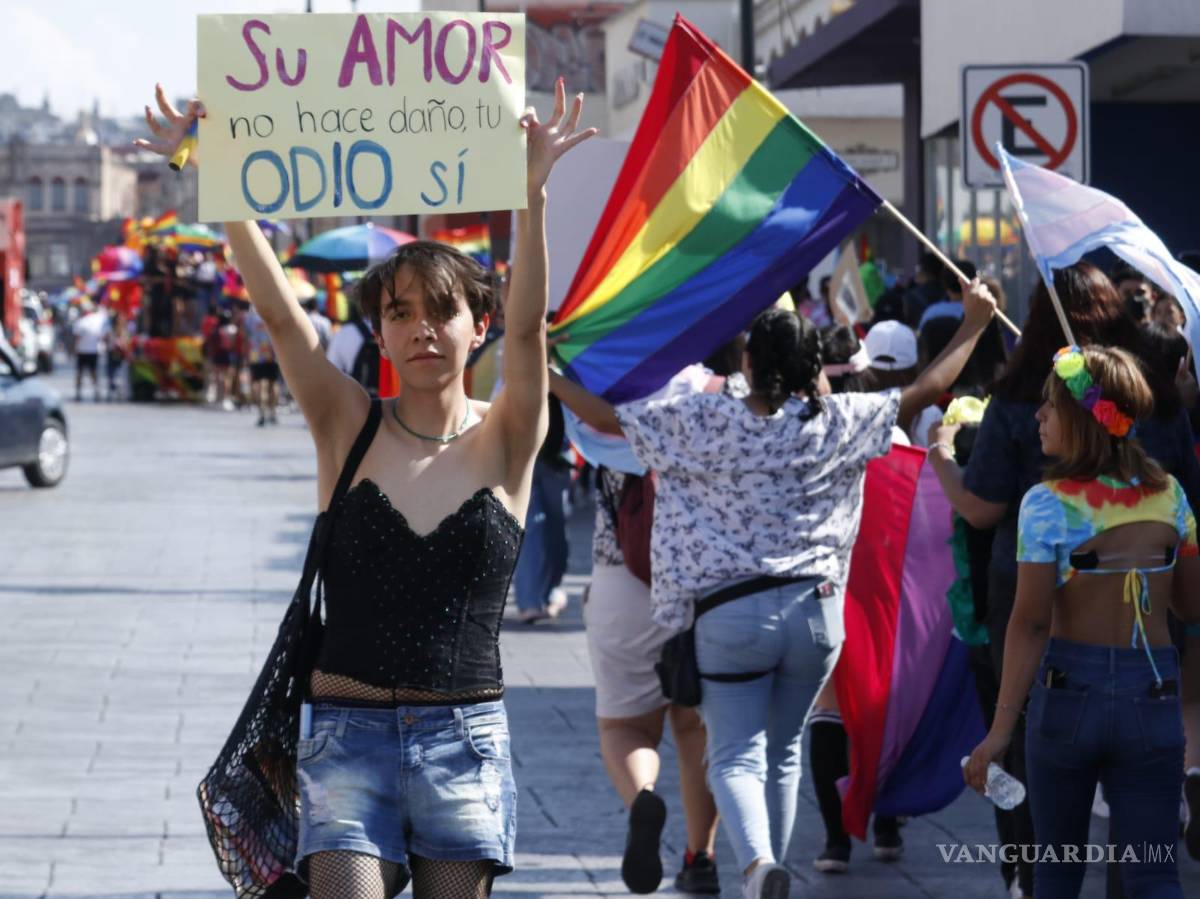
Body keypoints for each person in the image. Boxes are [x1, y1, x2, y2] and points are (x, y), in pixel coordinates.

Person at [138, 79, 594, 899]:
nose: (422, 327)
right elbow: (282, 319)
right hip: (345, 741)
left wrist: (532, 194)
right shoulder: (345, 424)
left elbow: (532, 329)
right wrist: (206, 161)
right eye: (399, 311)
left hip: (464, 740)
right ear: (377, 329)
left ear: (476, 326)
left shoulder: (510, 433)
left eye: (443, 310)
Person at [549, 279, 997, 899]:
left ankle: (759, 866)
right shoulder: (837, 419)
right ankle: (768, 874)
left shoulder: (704, 420)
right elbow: (920, 392)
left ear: (748, 362)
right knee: (783, 753)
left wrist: (542, 361)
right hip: (817, 615)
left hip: (729, 618)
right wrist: (973, 324)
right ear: (815, 367)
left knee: (734, 753)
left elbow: (601, 417)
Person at [927, 261, 1200, 899]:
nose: (1039, 417)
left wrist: (998, 733)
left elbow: (1028, 621)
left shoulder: (1046, 505)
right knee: (1154, 871)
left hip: (1066, 697)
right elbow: (1191, 605)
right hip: (1152, 693)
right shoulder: (1171, 500)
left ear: (1079, 421)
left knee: (1055, 872)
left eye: (1050, 406)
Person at [72, 302, 109, 401]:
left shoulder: (81, 322)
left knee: (81, 372)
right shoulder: (97, 320)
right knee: (92, 372)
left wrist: (75, 349)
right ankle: (94, 391)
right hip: (92, 350)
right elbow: (103, 336)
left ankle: (80, 392)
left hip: (84, 351)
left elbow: (77, 338)